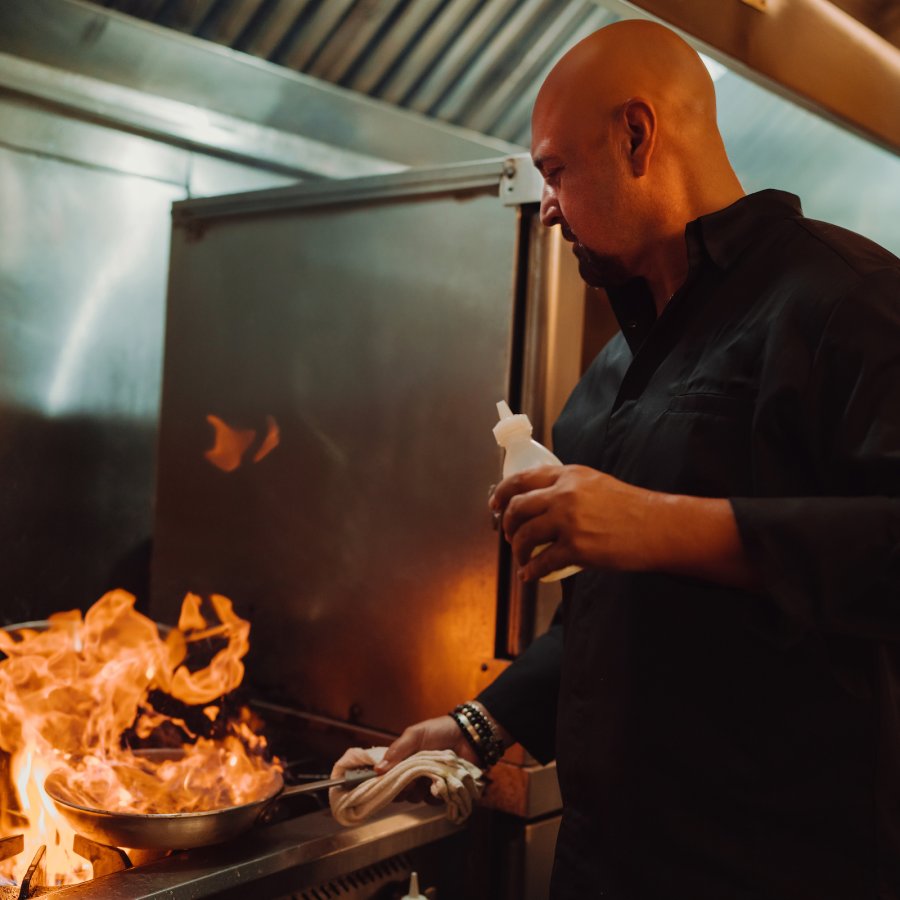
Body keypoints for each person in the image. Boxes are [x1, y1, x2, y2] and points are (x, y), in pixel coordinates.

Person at [376, 18, 900, 900]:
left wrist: (658, 525)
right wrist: (478, 723)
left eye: (553, 170)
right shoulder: (613, 371)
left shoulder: (848, 301)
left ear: (636, 136)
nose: (544, 206)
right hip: (606, 866)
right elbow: (599, 622)